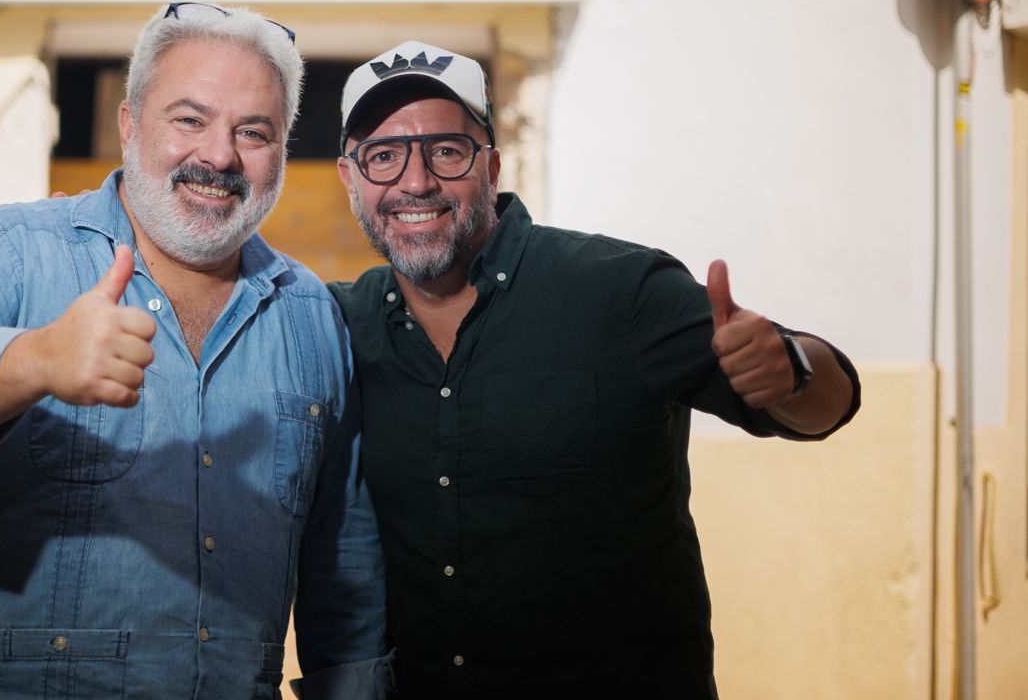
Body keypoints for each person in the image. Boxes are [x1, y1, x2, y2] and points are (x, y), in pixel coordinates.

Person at [0, 3, 391, 700]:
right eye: (189, 119)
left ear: (281, 153)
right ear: (128, 124)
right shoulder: (9, 251)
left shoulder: (312, 316)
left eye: (253, 132)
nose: (219, 156)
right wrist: (33, 361)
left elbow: (342, 568)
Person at [328, 41, 861, 699]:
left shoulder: (622, 292)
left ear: (491, 167)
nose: (415, 182)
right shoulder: (338, 328)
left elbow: (827, 407)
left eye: (446, 150)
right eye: (383, 157)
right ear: (350, 180)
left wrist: (794, 371)